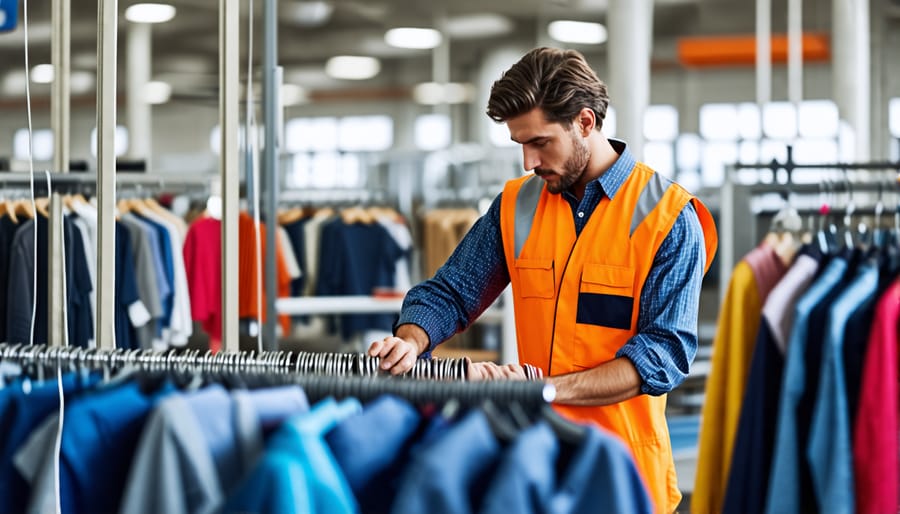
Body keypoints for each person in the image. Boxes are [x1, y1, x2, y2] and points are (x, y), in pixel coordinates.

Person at [367, 47, 717, 513]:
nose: (528, 161)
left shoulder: (669, 218)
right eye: (520, 145)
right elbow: (450, 292)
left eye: (540, 142)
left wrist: (545, 388)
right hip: (535, 465)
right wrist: (411, 340)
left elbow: (663, 355)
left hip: (625, 479)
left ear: (585, 122)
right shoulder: (517, 205)